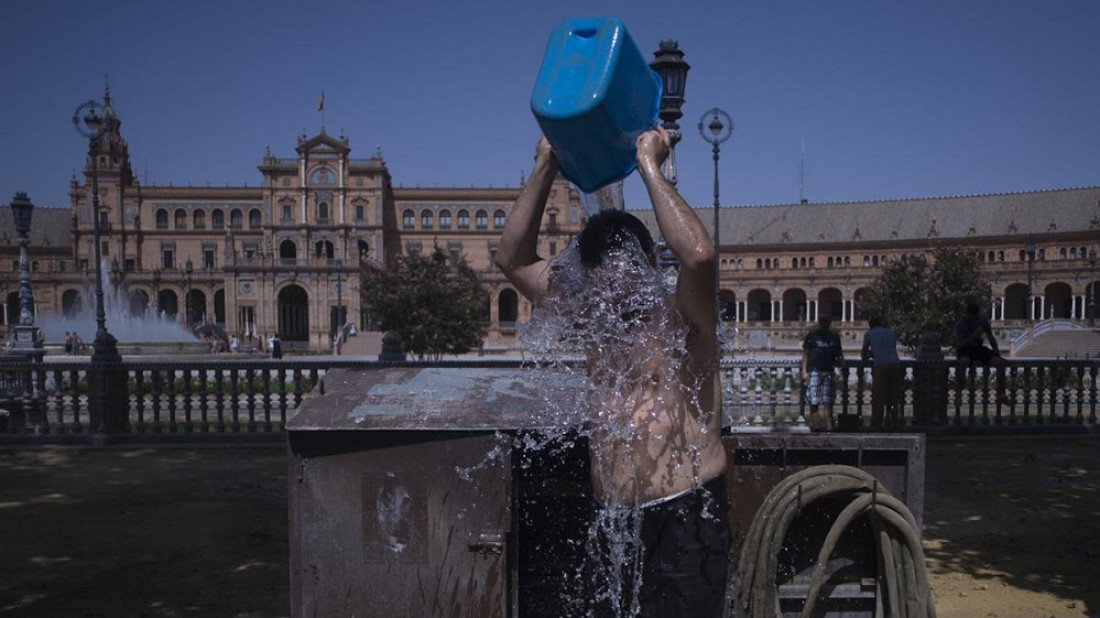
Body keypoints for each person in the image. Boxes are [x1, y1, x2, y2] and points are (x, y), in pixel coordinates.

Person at [496, 127, 729, 617]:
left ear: (649, 262)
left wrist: (650, 165)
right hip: (613, 522)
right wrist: (546, 163)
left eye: (623, 273)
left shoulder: (686, 314)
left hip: (685, 516)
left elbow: (700, 255)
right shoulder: (593, 315)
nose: (614, 293)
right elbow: (513, 260)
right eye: (599, 276)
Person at [954, 301, 1008, 403]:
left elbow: (991, 339)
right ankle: (958, 392)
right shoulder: (961, 324)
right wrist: (973, 336)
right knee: (963, 362)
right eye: (972, 318)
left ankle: (1001, 393)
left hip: (978, 349)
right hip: (965, 349)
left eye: (976, 318)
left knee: (999, 363)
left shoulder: (983, 321)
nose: (974, 320)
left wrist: (997, 354)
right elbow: (960, 344)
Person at [801, 314, 844, 432]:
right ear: (819, 322)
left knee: (828, 401)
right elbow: (805, 353)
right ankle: (816, 427)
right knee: (813, 401)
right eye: (822, 321)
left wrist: (841, 364)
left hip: (828, 372)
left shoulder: (834, 337)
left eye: (826, 321)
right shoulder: (812, 336)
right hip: (814, 371)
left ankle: (829, 428)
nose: (824, 323)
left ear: (830, 322)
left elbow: (839, 354)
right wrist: (804, 371)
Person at [861, 317, 902, 429]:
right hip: (895, 363)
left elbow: (864, 351)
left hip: (881, 365)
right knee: (893, 395)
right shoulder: (890, 332)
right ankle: (894, 420)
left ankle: (878, 421)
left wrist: (867, 356)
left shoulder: (869, 333)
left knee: (879, 396)